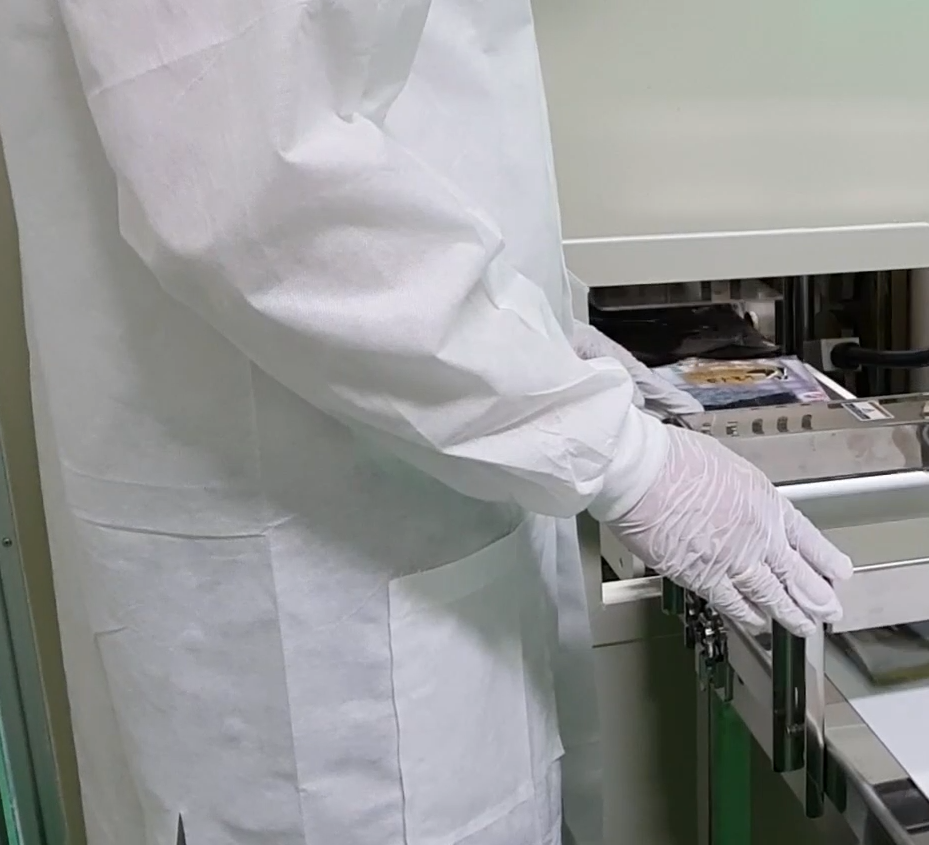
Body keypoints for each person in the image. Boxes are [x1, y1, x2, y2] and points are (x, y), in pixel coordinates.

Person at [0, 0, 853, 842]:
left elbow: (390, 116)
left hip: (392, 549)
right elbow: (251, 188)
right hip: (309, 653)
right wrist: (621, 454)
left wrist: (538, 343)